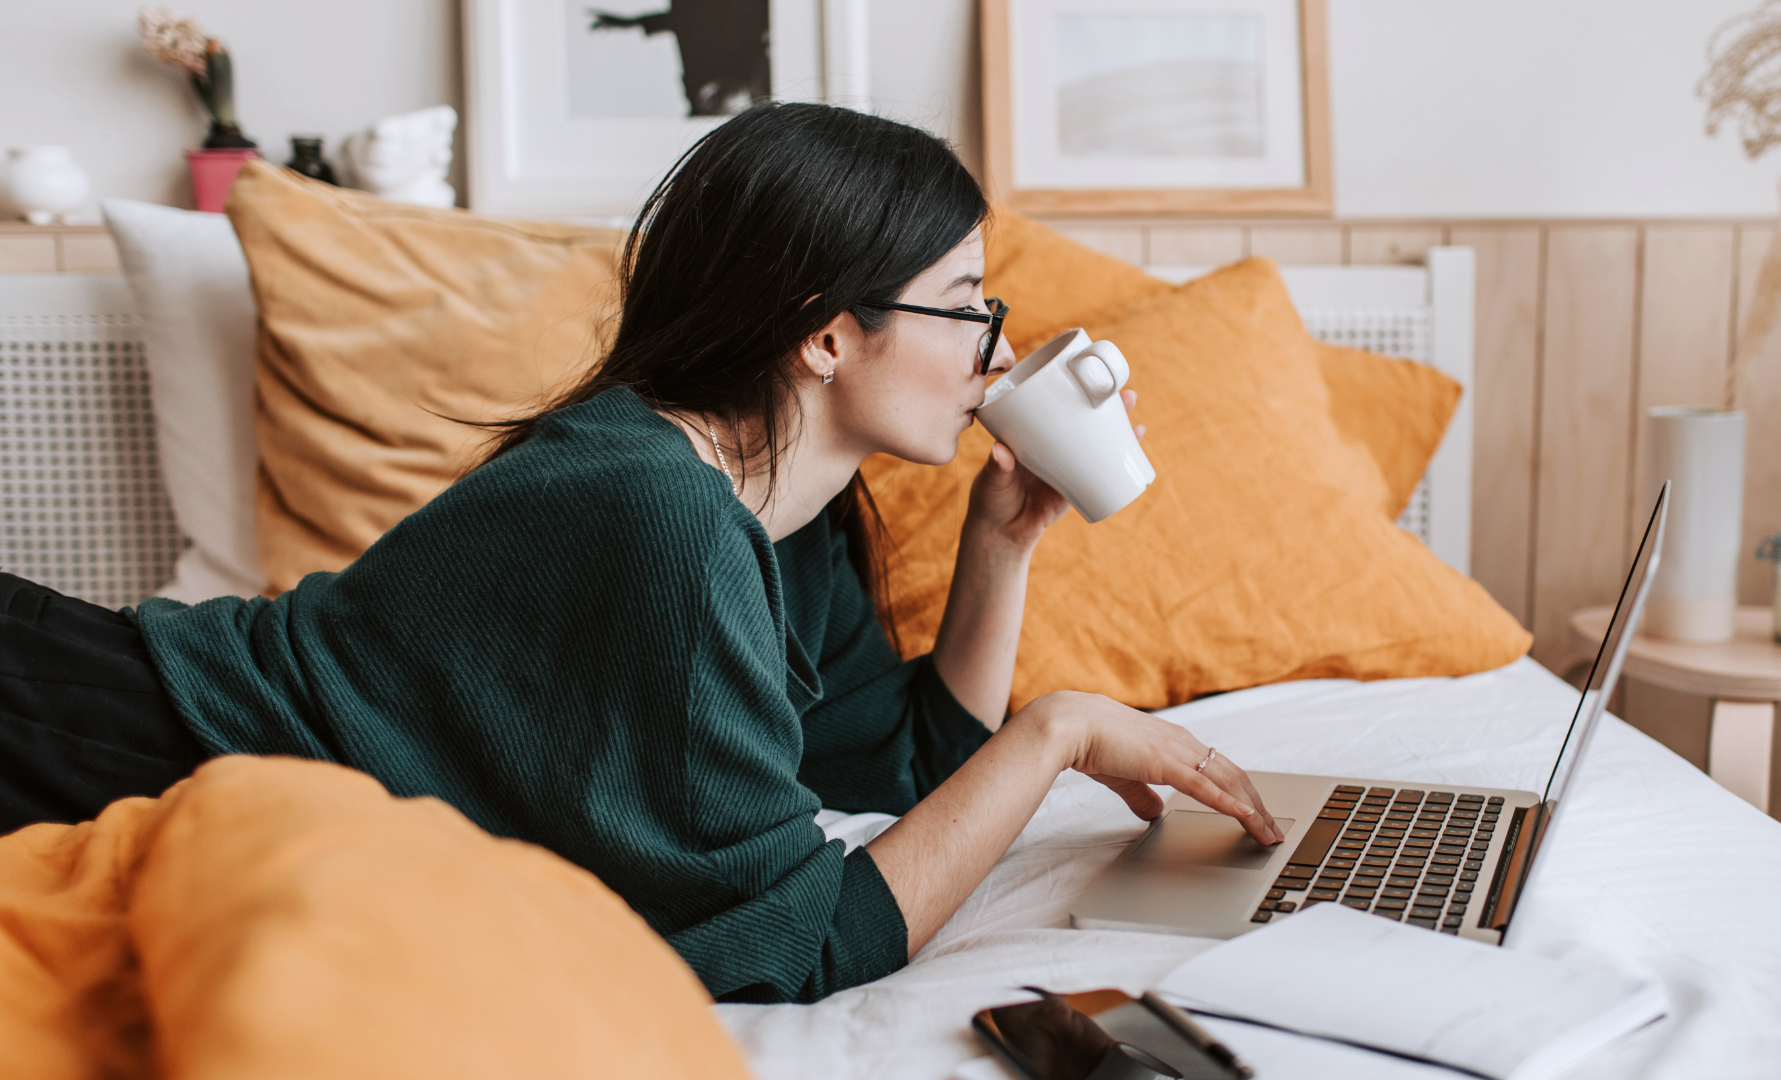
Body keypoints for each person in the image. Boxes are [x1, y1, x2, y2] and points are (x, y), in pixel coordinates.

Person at [0, 103, 1277, 1003]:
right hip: (108, 741)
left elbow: (898, 773)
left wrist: (1002, 549)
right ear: (826, 338)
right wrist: (1056, 731)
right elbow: (812, 943)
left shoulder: (789, 509)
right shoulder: (658, 515)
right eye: (967, 305)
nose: (996, 351)